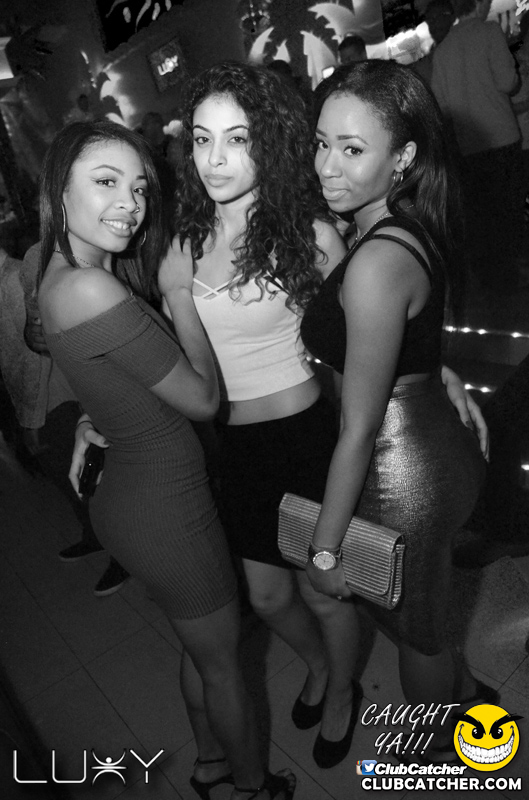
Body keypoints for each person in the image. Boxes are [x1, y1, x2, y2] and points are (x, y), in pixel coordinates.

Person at [157, 61, 488, 769]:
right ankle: (418, 690)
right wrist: (428, 369)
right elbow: (361, 331)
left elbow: (361, 354)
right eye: (202, 139)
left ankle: (392, 727)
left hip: (345, 443)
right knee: (290, 599)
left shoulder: (331, 237)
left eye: (237, 138)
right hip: (272, 445)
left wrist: (425, 374)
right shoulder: (197, 247)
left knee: (384, 613)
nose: (215, 158)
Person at [36, 119, 295, 800]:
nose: (130, 203)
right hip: (165, 508)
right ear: (59, 190)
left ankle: (209, 763)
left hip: (138, 492)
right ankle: (251, 788)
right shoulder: (89, 288)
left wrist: (95, 416)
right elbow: (203, 399)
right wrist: (179, 295)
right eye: (106, 181)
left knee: (201, 647)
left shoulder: (69, 274)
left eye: (140, 187)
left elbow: (101, 369)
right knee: (224, 664)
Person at [299, 59, 495, 762]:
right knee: (422, 609)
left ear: (403, 157)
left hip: (398, 469)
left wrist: (324, 548)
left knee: (417, 633)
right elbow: (406, 333)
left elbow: (358, 427)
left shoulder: (377, 258)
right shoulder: (397, 222)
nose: (327, 166)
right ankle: (465, 696)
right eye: (322, 143)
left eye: (352, 149)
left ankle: (435, 754)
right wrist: (433, 366)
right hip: (422, 444)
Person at [431, 0, 523, 293]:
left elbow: (441, 107)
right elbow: (508, 82)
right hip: (502, 136)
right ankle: (511, 280)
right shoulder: (490, 32)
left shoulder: (442, 51)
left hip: (469, 146)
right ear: (479, 3)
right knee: (508, 212)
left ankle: (490, 281)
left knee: (482, 215)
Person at [412, 0, 455, 85]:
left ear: (451, 18)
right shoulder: (426, 63)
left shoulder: (464, 49)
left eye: (440, 17)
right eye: (430, 19)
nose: (435, 23)